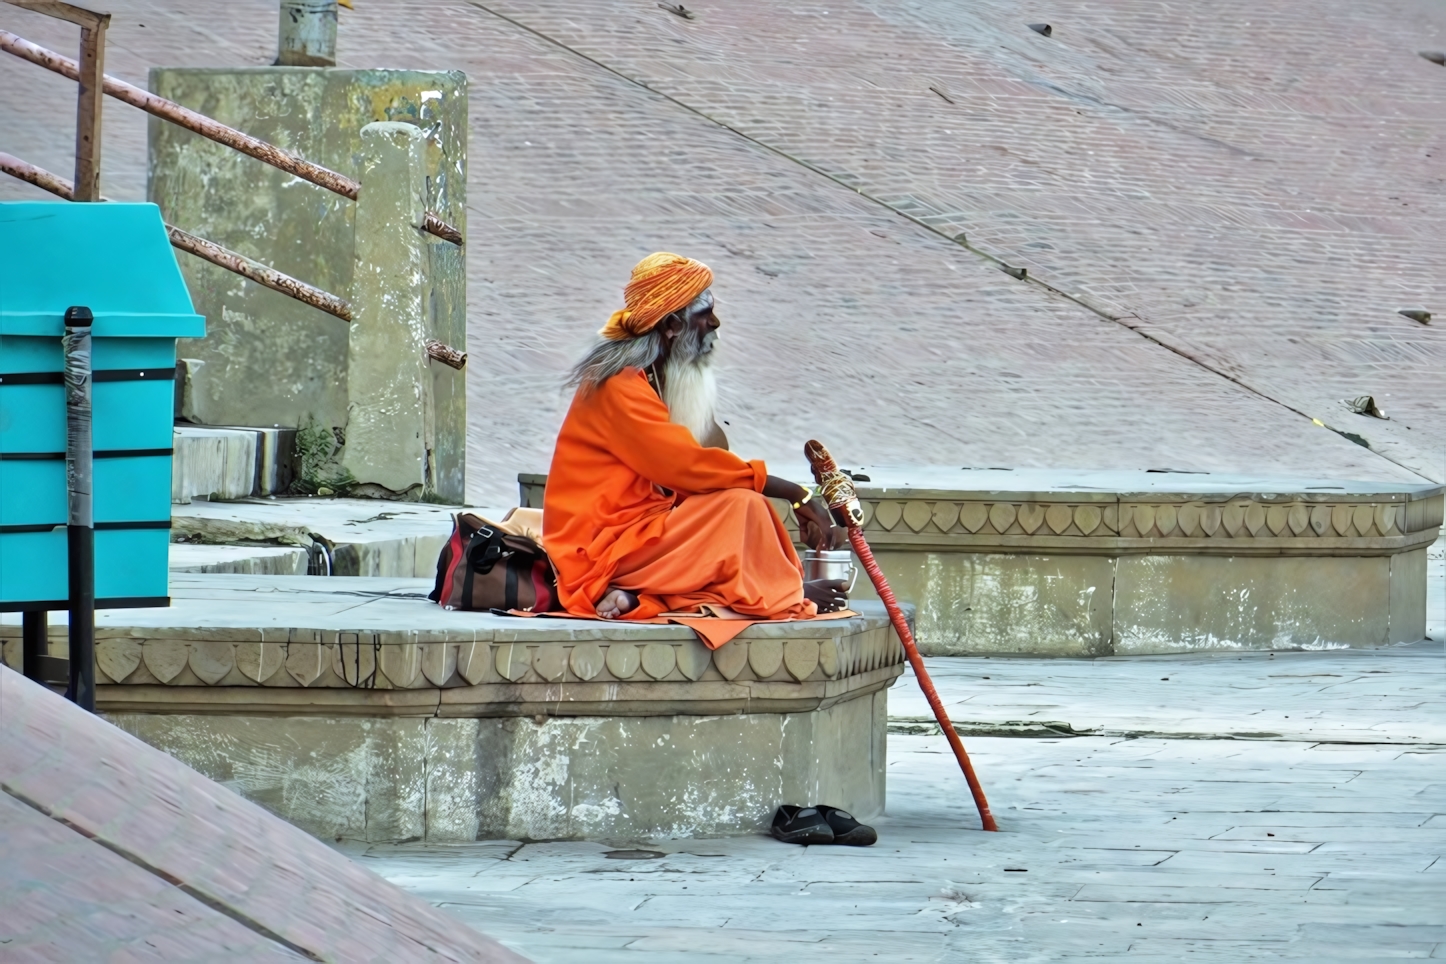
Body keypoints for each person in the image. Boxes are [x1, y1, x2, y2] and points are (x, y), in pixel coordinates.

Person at [543, 252, 846, 621]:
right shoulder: (617, 385)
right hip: (601, 551)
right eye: (704, 316)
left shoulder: (656, 374)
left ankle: (642, 597)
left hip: (640, 534)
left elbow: (710, 454)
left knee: (738, 506)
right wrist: (795, 493)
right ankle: (787, 590)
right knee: (744, 507)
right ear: (671, 325)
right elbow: (685, 466)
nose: (715, 324)